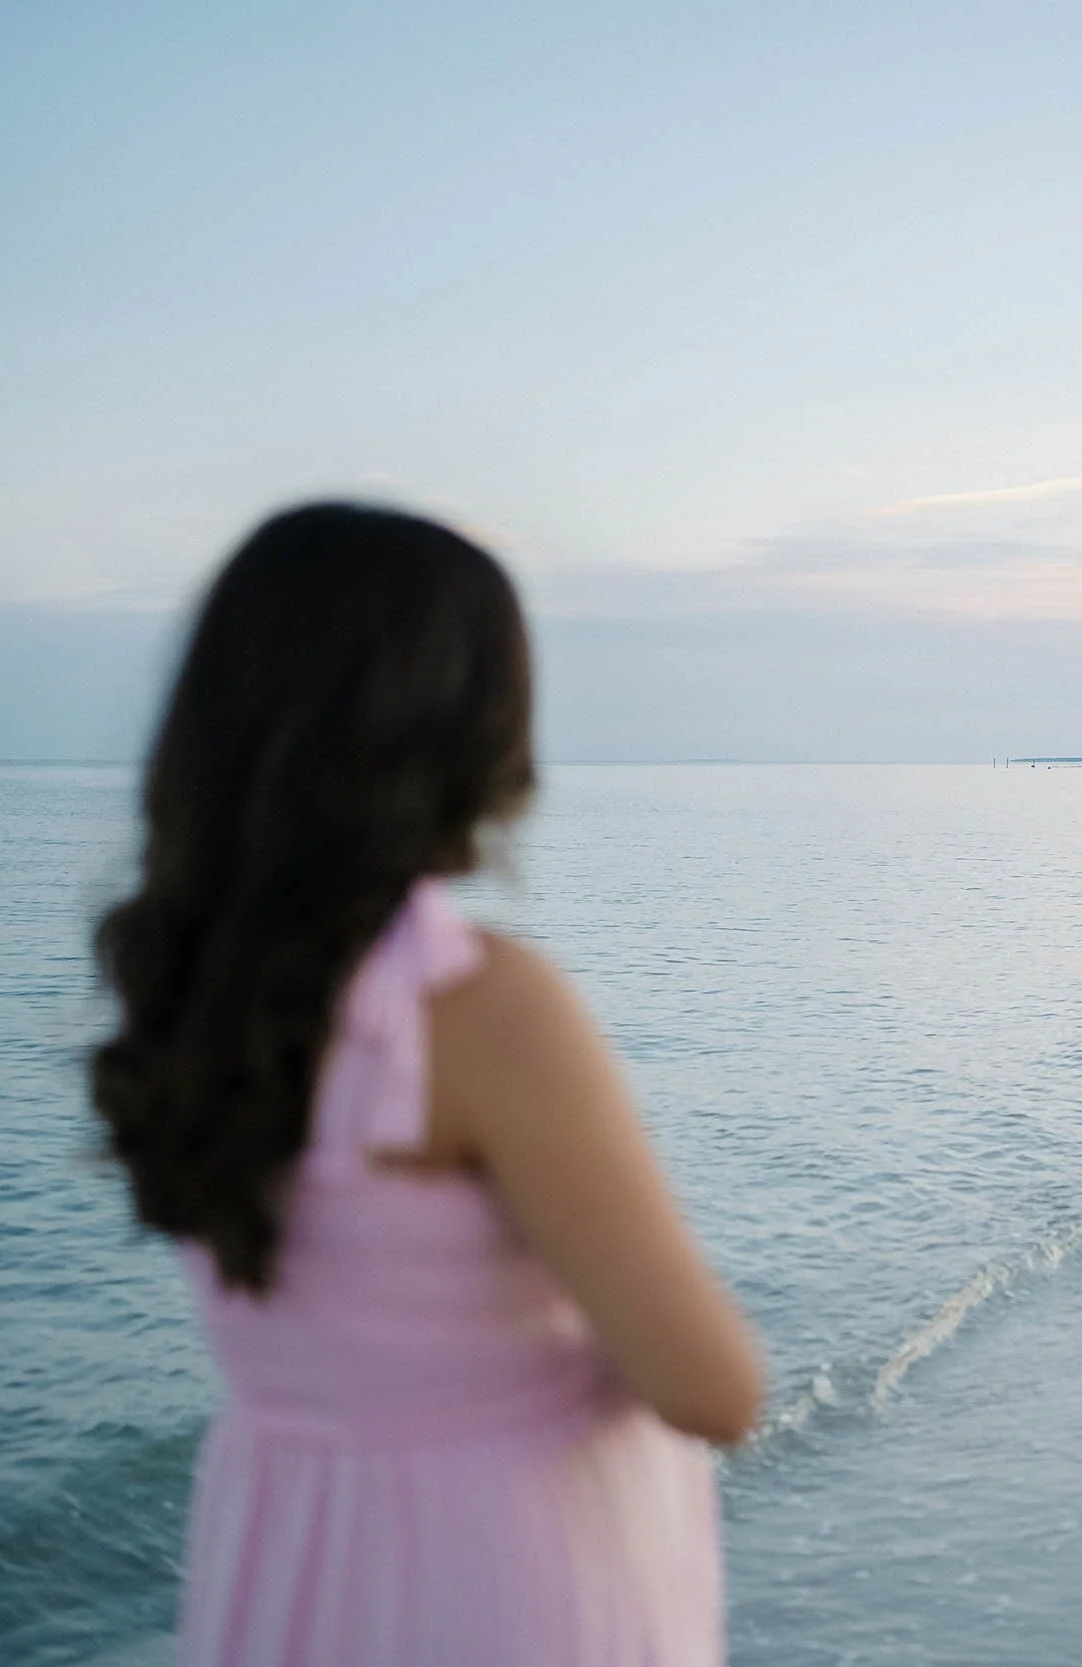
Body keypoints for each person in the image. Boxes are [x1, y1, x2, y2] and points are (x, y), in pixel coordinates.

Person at [90, 503, 763, 1666]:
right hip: (498, 1574)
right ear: (464, 726)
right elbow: (712, 1388)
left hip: (289, 1553)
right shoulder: (480, 1006)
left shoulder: (192, 992)